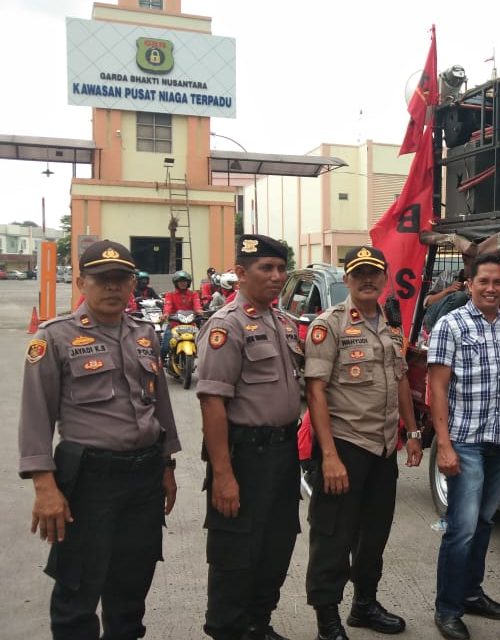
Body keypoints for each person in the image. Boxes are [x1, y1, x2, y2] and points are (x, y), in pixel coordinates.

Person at [19, 239, 180, 640]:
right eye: (101, 279)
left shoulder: (144, 333)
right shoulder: (54, 337)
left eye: (121, 279)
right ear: (81, 282)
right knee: (78, 587)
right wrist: (44, 485)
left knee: (131, 584)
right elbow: (36, 415)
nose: (112, 287)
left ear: (132, 285)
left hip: (143, 476)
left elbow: (160, 408)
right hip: (88, 479)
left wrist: (167, 466)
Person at [304, 246, 424, 640]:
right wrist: (330, 458)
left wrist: (413, 433)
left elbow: (403, 379)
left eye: (374, 273)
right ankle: (327, 619)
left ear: (385, 277)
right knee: (333, 535)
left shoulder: (391, 326)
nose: (368, 280)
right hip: (345, 447)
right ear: (348, 281)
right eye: (359, 274)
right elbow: (316, 391)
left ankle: (364, 605)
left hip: (384, 448)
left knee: (374, 533)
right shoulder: (330, 325)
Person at [196, 235, 304, 640]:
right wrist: (223, 474)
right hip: (245, 456)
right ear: (240, 273)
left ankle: (258, 623)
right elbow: (212, 403)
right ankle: (227, 629)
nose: (277, 277)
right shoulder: (228, 325)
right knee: (235, 552)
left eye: (281, 269)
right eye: (266, 268)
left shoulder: (281, 322)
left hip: (282, 453)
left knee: (276, 545)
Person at [427, 254, 500, 640]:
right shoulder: (450, 325)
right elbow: (436, 386)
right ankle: (448, 608)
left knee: (485, 523)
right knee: (462, 529)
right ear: (469, 284)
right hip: (465, 442)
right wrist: (444, 445)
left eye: (498, 282)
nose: (491, 288)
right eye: (483, 281)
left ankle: (471, 593)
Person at [162, 270, 203, 360]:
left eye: (185, 281)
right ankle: (160, 365)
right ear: (176, 283)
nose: (183, 283)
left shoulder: (194, 294)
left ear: (188, 283)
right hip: (174, 325)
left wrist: (200, 311)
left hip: (190, 325)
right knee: (165, 347)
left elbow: (197, 304)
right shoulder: (170, 295)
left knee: (202, 344)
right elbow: (168, 305)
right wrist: (166, 314)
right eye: (180, 281)